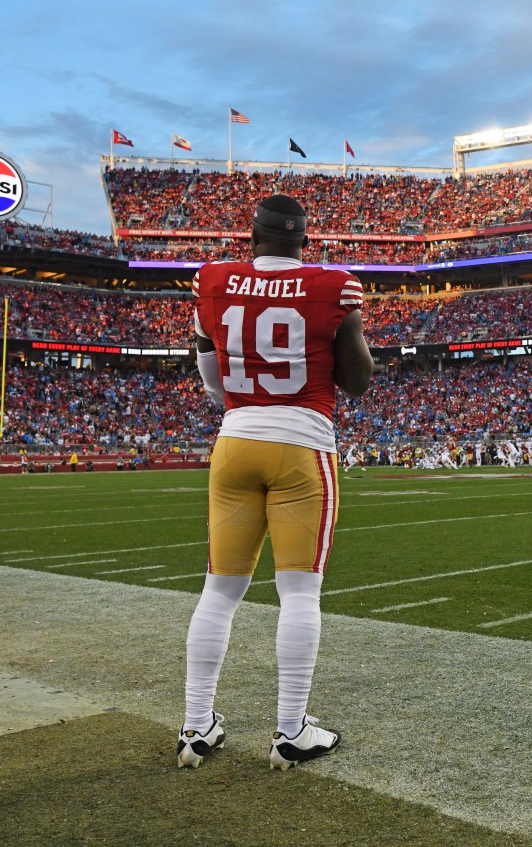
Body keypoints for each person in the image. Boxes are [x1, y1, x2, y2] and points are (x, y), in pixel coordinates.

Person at [178, 194, 373, 771]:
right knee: (299, 592)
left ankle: (195, 726)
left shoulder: (212, 279)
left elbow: (208, 363)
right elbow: (358, 380)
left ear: (253, 236)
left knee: (219, 590)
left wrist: (234, 401)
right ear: (303, 241)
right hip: (301, 442)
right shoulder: (334, 285)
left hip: (235, 441)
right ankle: (290, 731)